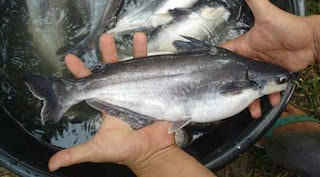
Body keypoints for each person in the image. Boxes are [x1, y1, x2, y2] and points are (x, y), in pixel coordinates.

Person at [48, 0, 320, 176]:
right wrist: (311, 40)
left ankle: (282, 130)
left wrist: (312, 38)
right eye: (281, 82)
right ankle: (283, 129)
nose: (285, 83)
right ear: (256, 80)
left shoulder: (241, 76)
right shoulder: (240, 77)